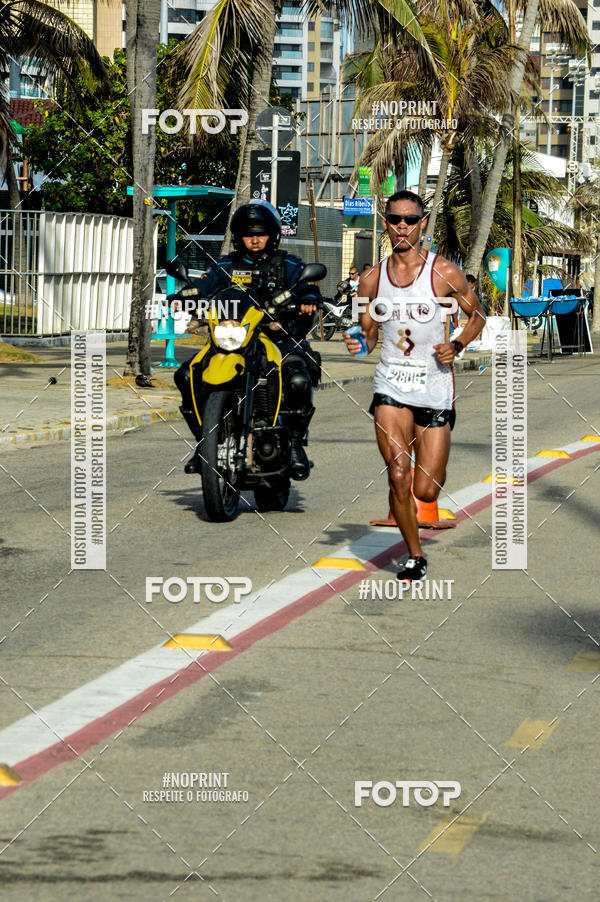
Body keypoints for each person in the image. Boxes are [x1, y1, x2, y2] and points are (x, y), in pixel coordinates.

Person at [344, 190, 485, 582]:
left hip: (434, 387)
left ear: (422, 223)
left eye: (410, 220)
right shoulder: (370, 279)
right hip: (391, 383)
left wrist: (456, 344)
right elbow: (367, 334)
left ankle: (419, 513)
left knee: (425, 488)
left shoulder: (445, 273)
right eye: (394, 219)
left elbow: (478, 317)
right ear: (385, 223)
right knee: (399, 474)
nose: (402, 226)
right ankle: (414, 554)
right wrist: (359, 342)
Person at [174, 200, 322, 481]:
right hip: (232, 337)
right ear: (237, 236)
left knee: (297, 379)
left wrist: (309, 300)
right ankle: (205, 443)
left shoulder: (288, 264)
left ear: (273, 235)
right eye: (247, 233)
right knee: (186, 374)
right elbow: (205, 284)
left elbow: (307, 286)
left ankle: (294, 445)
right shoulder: (225, 265)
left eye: (261, 233)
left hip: (278, 338)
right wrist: (187, 293)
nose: (255, 239)